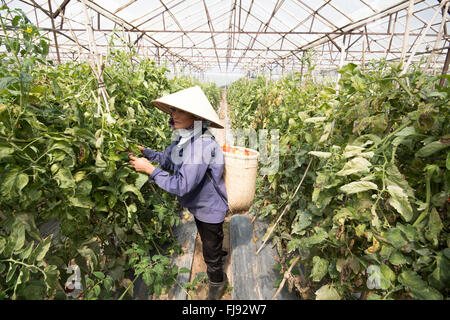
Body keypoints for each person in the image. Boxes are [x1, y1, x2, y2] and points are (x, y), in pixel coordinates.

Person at [128, 86, 229, 300]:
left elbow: (181, 185)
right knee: (208, 238)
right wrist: (146, 153)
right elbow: (169, 160)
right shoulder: (186, 138)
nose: (173, 114)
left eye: (180, 111)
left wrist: (150, 170)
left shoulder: (201, 145)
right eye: (173, 110)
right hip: (199, 205)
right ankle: (217, 251)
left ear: (195, 116)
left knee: (210, 251)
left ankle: (217, 283)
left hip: (210, 208)